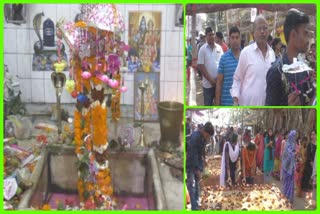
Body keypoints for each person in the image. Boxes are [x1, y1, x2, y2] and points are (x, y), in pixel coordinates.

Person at [266, 9, 310, 106]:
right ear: (293, 34)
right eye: (305, 33)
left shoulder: (303, 69)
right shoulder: (276, 71)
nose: (308, 40)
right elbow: (271, 113)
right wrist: (287, 108)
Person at [230, 15, 275, 106]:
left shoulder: (272, 53)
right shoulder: (246, 53)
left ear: (268, 32)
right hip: (248, 108)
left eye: (265, 28)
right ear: (253, 32)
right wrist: (235, 99)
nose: (262, 31)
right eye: (259, 28)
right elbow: (237, 79)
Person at [186, 122, 214, 210]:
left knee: (197, 185)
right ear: (205, 132)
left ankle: (197, 203)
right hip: (191, 165)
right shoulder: (195, 138)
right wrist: (197, 170)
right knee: (192, 186)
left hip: (198, 162)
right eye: (208, 136)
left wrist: (204, 159)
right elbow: (193, 155)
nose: (208, 138)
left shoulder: (203, 138)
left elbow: (202, 151)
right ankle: (194, 207)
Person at [215, 26, 241, 106]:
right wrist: (217, 104)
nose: (235, 40)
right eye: (232, 38)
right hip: (227, 103)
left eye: (237, 37)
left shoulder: (246, 57)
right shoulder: (223, 58)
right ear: (229, 39)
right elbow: (219, 83)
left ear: (240, 39)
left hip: (243, 102)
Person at [197, 27, 223, 106]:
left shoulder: (219, 48)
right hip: (208, 85)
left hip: (218, 83)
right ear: (206, 36)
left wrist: (217, 79)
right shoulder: (202, 49)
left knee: (219, 105)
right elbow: (201, 66)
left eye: (212, 34)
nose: (211, 36)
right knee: (208, 105)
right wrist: (211, 80)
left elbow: (222, 63)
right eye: (209, 35)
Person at [301, 130, 316, 206]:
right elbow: (308, 154)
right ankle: (306, 198)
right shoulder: (310, 144)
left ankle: (311, 198)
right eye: (312, 134)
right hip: (309, 165)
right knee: (307, 181)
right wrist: (311, 162)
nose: (312, 136)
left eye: (314, 134)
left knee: (313, 183)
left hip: (315, 166)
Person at [281, 130, 296, 203]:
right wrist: (295, 154)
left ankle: (290, 197)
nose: (294, 137)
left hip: (291, 166)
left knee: (291, 182)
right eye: (293, 136)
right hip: (287, 166)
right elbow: (288, 154)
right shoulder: (287, 143)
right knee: (287, 182)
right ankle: (286, 196)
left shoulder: (293, 143)